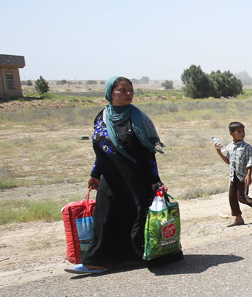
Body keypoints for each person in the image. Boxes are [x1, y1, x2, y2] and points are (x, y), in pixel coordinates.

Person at [66, 77, 176, 275]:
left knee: (138, 217)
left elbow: (148, 153)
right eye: (122, 90)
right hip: (110, 176)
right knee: (104, 216)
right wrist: (95, 174)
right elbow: (102, 149)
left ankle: (146, 256)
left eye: (130, 90)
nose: (128, 94)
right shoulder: (101, 117)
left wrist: (154, 181)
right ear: (110, 93)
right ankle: (96, 262)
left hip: (135, 177)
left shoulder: (139, 119)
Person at [215, 121, 252, 226]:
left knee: (242, 198)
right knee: (232, 197)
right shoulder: (229, 147)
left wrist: (248, 175)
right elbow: (228, 161)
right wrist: (219, 153)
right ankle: (238, 219)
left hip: (243, 176)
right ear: (231, 133)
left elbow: (250, 162)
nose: (242, 133)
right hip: (233, 176)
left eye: (243, 131)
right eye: (239, 131)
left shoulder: (247, 147)